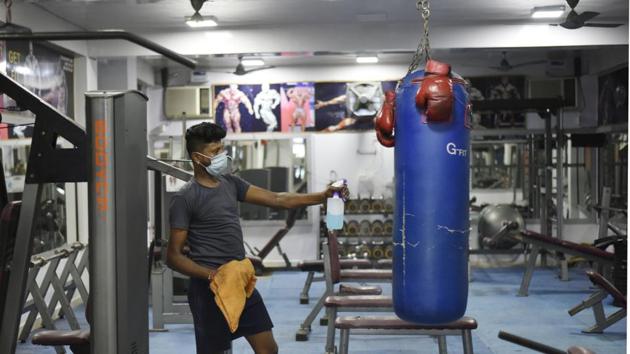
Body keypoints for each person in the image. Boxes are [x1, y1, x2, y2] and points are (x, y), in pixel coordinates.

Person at [166, 122, 348, 354]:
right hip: (209, 289)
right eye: (215, 152)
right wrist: (212, 275)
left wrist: (322, 197)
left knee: (268, 349)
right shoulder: (185, 198)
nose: (222, 156)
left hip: (240, 280)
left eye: (222, 149)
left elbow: (278, 199)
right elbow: (173, 257)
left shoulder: (231, 183)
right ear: (197, 157)